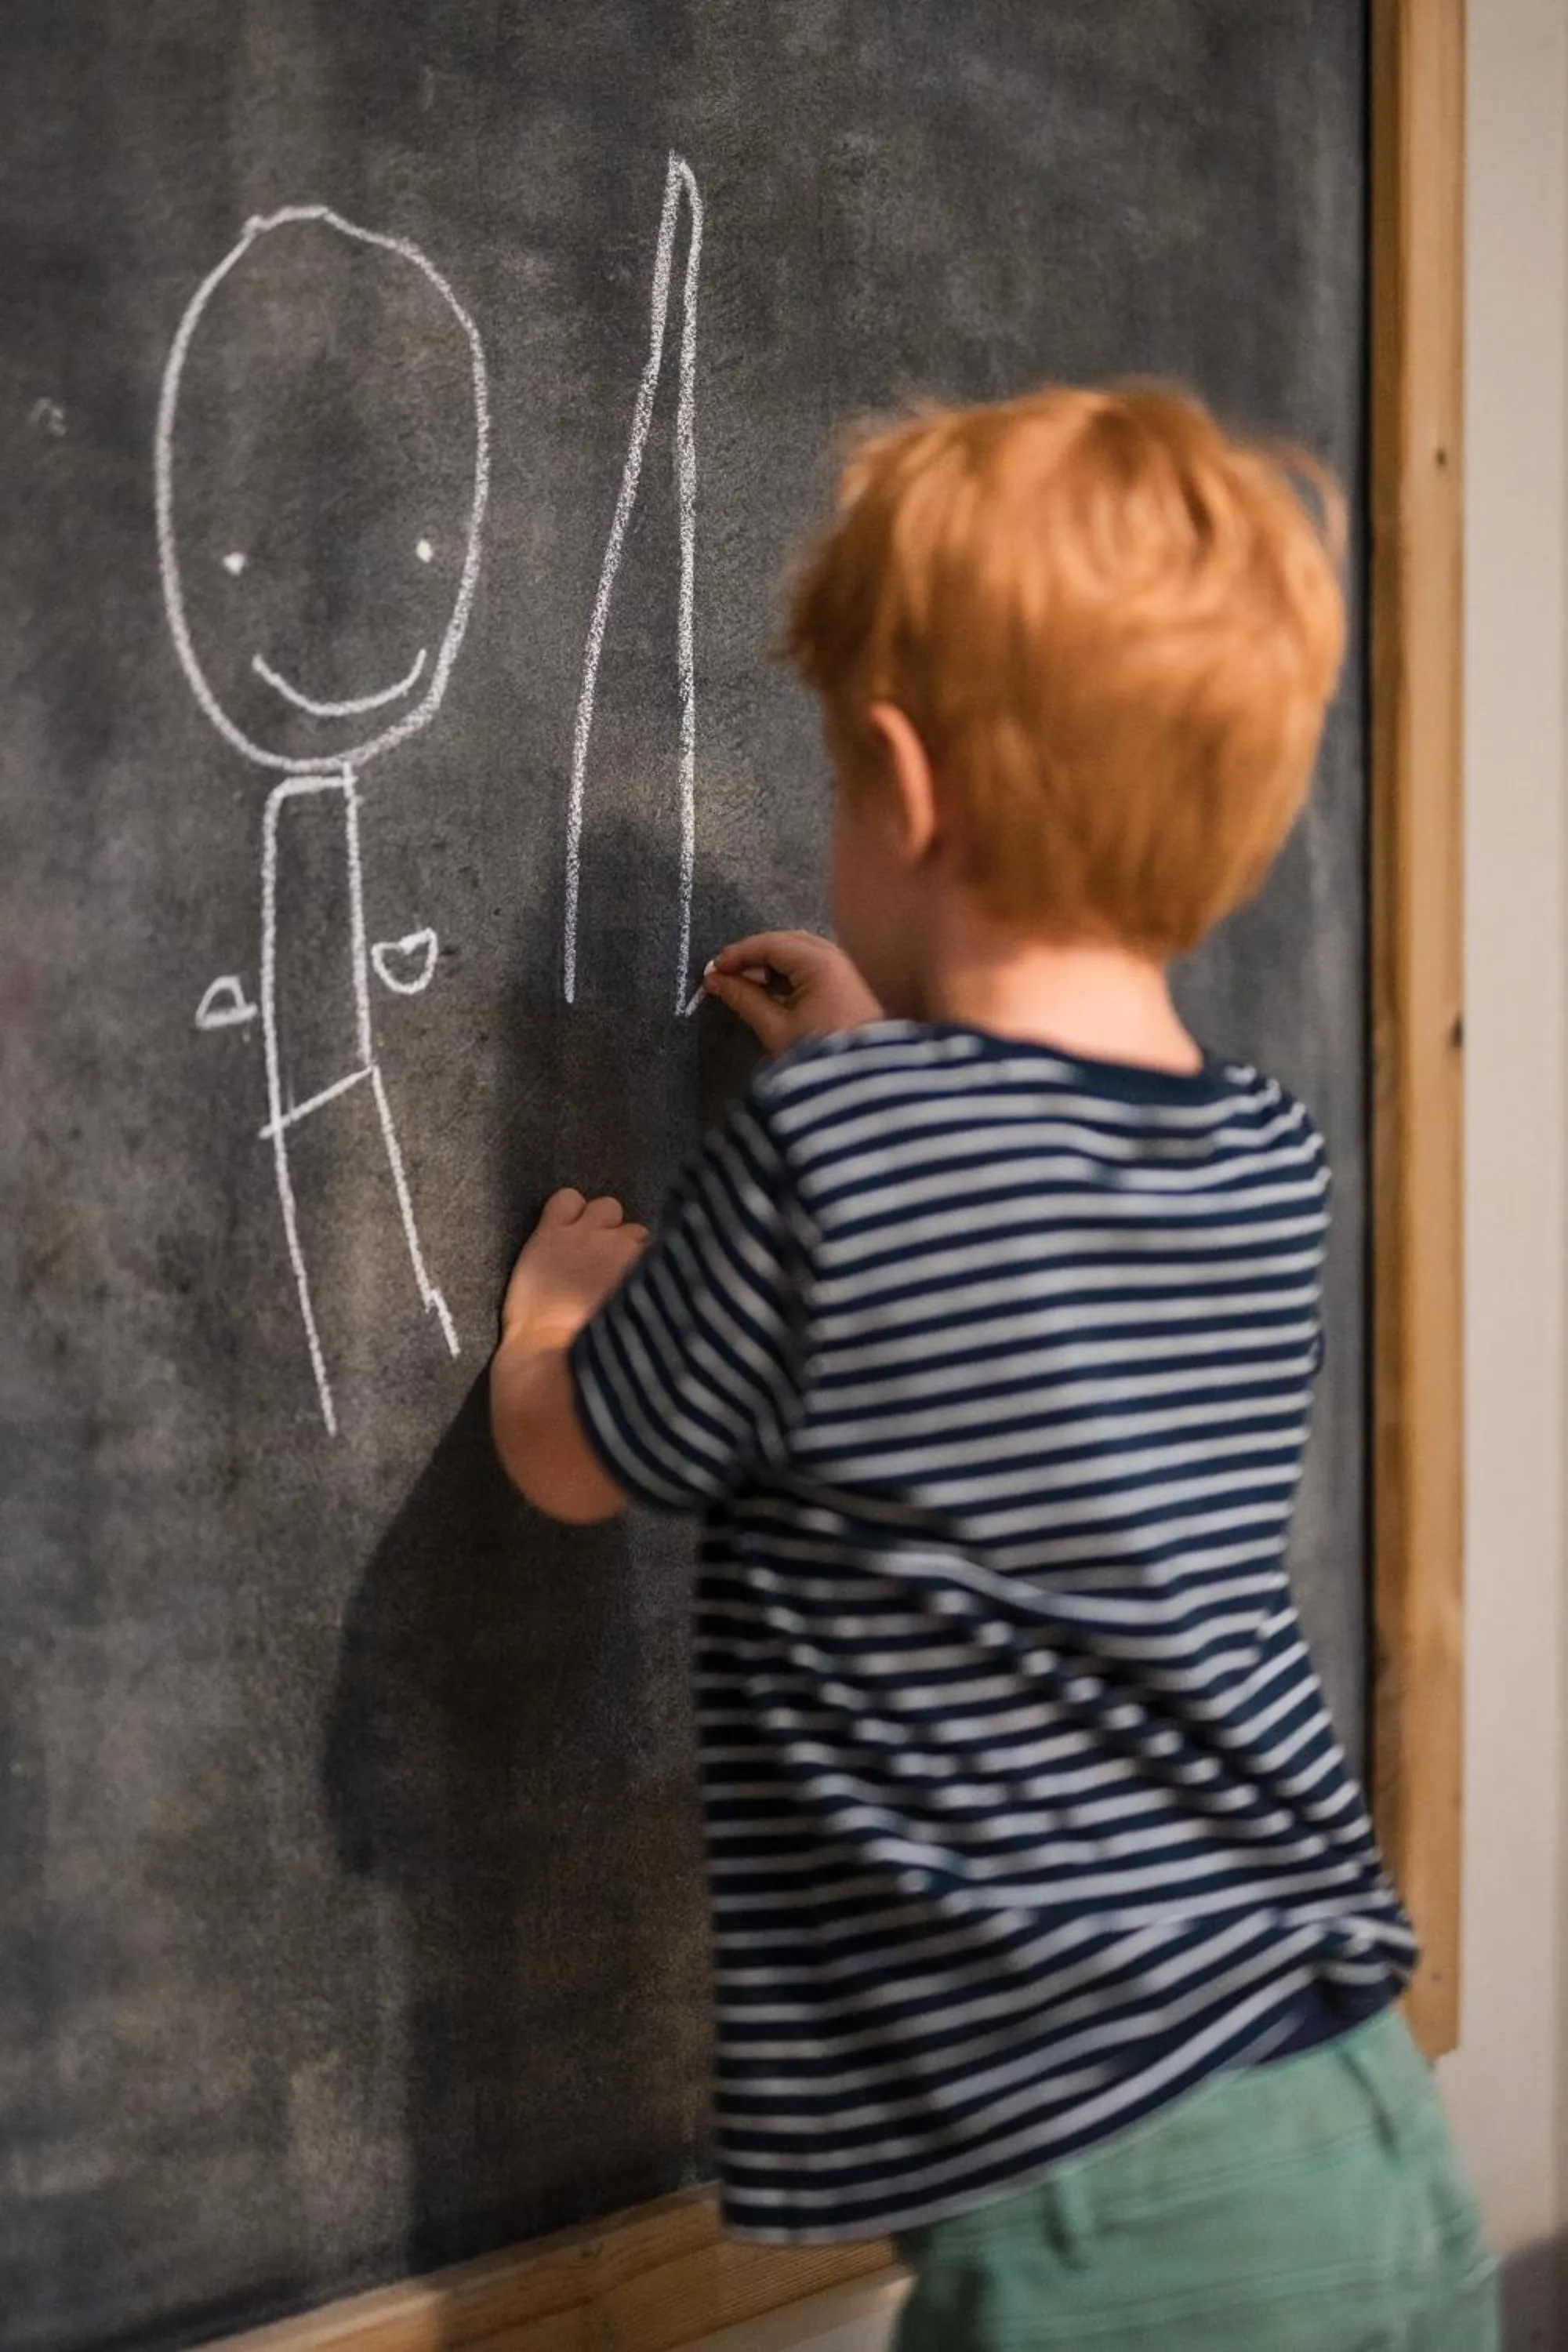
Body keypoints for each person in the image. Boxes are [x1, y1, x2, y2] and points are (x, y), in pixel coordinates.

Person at [490, 383, 1497, 2349]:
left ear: (901, 779)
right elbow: (1022, 1329)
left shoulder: (842, 1157)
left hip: (1104, 2197)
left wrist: (552, 1326)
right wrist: (871, 1072)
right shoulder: (1259, 1151)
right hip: (1351, 2109)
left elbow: (578, 1461)